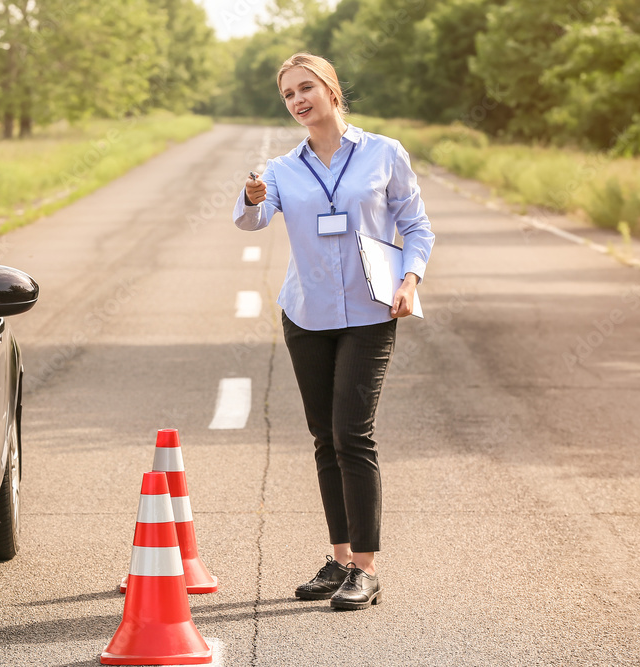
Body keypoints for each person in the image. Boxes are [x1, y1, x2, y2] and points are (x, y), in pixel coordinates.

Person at [233, 53, 434, 611]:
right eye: (288, 95)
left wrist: (410, 280)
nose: (298, 101)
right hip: (307, 314)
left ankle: (366, 569)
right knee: (325, 436)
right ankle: (341, 558)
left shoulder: (384, 153)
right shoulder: (280, 168)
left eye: (306, 88)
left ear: (332, 90)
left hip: (372, 312)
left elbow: (417, 226)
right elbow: (251, 219)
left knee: (353, 433)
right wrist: (250, 199)